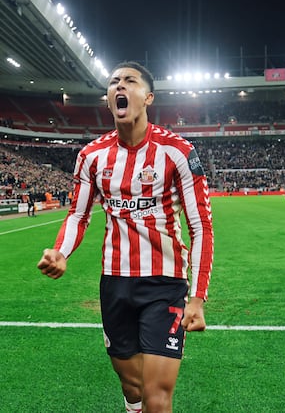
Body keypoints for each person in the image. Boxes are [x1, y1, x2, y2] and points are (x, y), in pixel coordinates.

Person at [37, 61, 214, 413]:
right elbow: (78, 215)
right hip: (115, 283)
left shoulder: (178, 151)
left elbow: (201, 226)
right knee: (132, 386)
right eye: (114, 82)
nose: (120, 86)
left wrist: (198, 297)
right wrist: (60, 252)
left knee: (158, 395)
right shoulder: (91, 156)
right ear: (107, 100)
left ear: (147, 97)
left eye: (130, 81)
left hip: (165, 283)